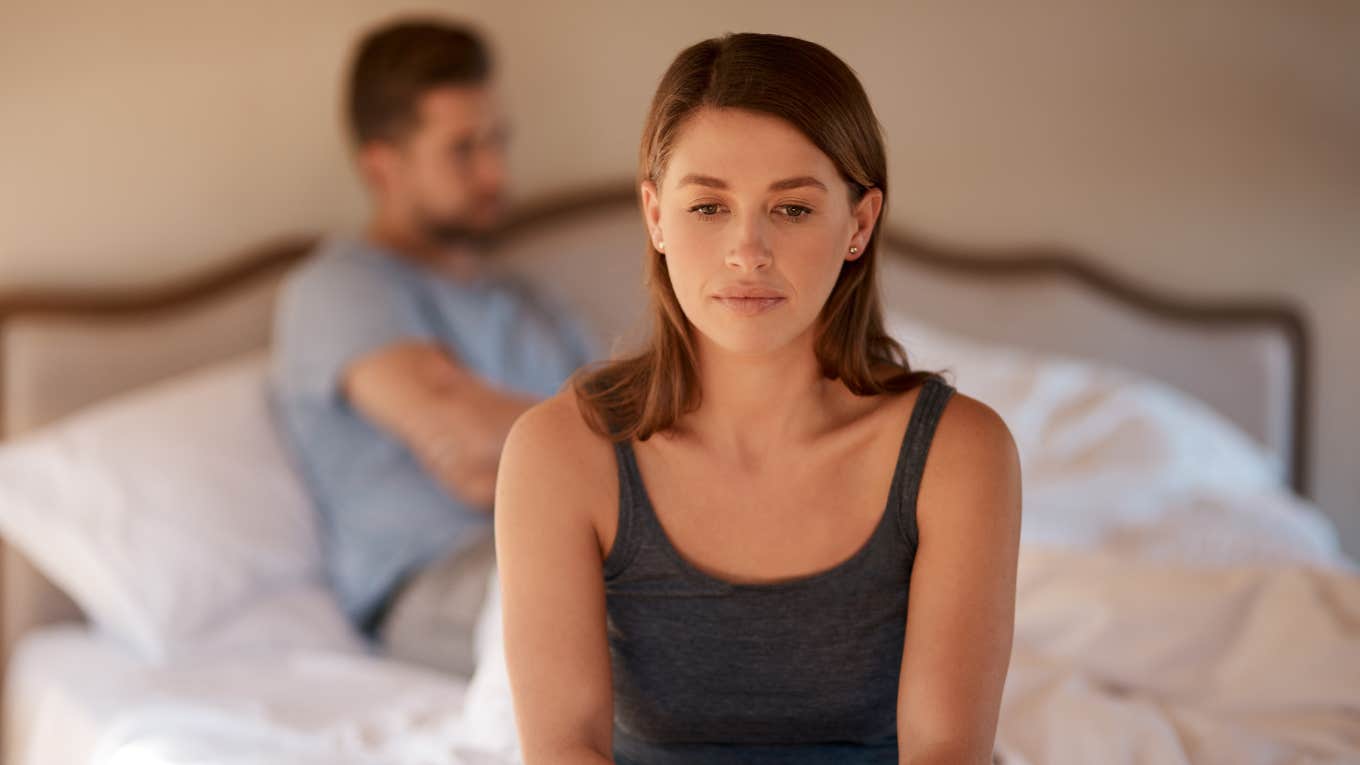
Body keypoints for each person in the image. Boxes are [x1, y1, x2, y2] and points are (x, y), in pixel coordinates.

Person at [495, 32, 1022, 764]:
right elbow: (564, 750)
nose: (748, 250)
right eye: (708, 207)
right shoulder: (559, 453)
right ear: (654, 215)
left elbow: (945, 752)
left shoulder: (957, 454)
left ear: (859, 224)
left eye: (793, 210)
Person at [268, 18, 596, 677]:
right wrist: (571, 453)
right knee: (651, 622)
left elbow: (634, 429)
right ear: (382, 166)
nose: (495, 170)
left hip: (577, 542)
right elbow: (467, 429)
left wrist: (517, 460)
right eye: (462, 149)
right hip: (438, 579)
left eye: (498, 140)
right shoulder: (338, 288)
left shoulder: (528, 299)